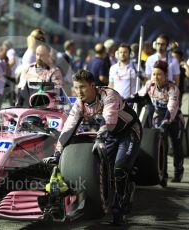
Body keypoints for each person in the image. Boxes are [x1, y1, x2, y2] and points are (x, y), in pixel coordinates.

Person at [44, 69, 142, 225]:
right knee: (104, 171)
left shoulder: (109, 96)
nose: (78, 91)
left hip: (129, 132)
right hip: (110, 135)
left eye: (82, 87)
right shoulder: (79, 104)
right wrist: (57, 154)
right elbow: (68, 129)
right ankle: (122, 188)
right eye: (76, 87)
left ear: (93, 85)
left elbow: (108, 122)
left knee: (119, 170)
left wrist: (99, 137)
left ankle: (121, 209)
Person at [126, 60, 184, 183]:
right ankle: (163, 174)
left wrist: (166, 122)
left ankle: (178, 172)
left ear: (165, 75)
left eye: (159, 74)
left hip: (174, 118)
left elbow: (172, 108)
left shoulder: (173, 88)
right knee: (160, 145)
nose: (155, 77)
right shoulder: (149, 84)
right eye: (153, 74)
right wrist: (125, 100)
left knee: (176, 146)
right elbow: (139, 95)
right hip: (158, 115)